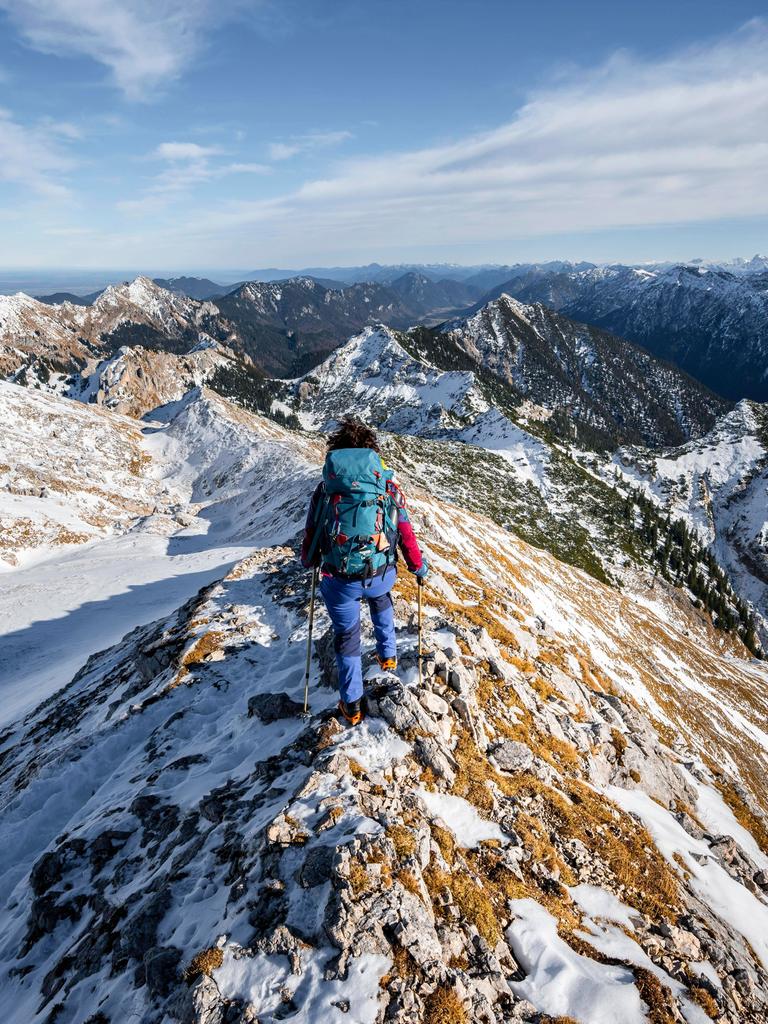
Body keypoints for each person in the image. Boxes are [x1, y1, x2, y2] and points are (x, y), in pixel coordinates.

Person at [300, 416, 429, 726]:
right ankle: (388, 657)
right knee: (381, 598)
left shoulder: (327, 490)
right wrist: (418, 566)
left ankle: (352, 705)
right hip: (381, 573)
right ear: (373, 454)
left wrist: (309, 561)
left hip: (339, 580)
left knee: (347, 637)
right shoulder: (386, 488)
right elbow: (406, 533)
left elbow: (312, 533)